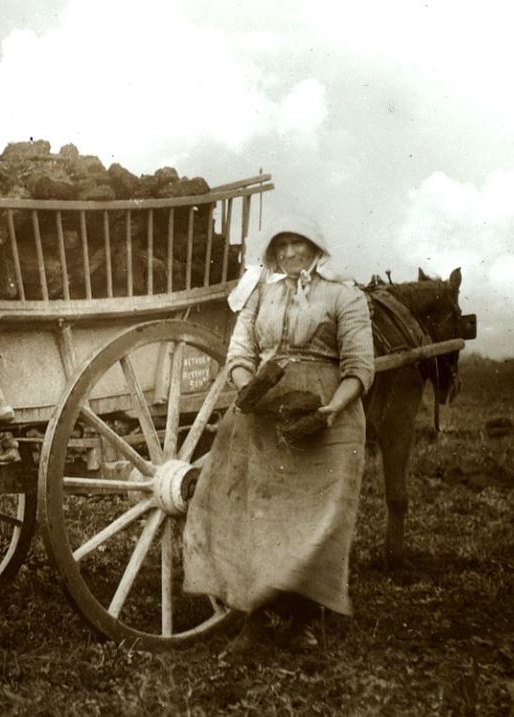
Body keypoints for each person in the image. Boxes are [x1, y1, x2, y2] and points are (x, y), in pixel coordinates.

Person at [183, 214, 374, 654]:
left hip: (326, 419)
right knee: (256, 515)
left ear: (315, 247)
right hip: (263, 414)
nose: (289, 253)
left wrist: (332, 408)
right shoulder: (259, 293)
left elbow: (360, 366)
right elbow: (240, 350)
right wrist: (249, 387)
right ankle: (258, 616)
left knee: (315, 522)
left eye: (298, 244)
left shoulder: (344, 296)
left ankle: (305, 619)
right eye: (281, 246)